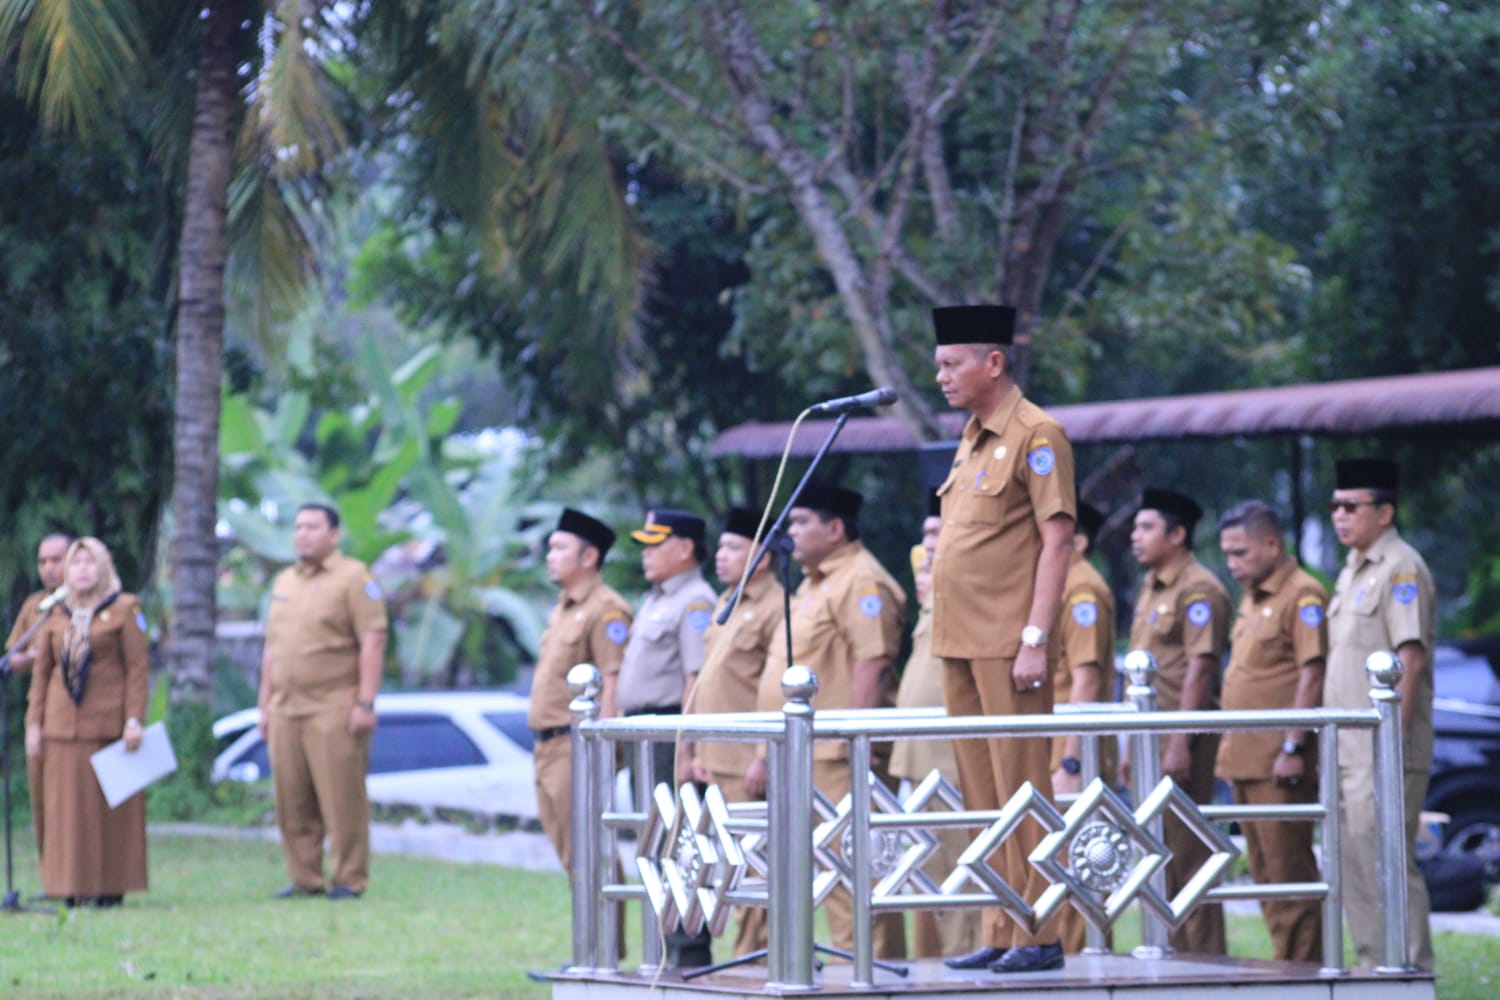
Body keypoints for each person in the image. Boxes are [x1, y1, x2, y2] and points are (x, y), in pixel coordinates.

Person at [929, 304, 1075, 974]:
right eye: (938, 365)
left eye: (951, 364)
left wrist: (1035, 637)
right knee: (982, 792)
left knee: (1023, 787)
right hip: (959, 640)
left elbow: (1057, 541)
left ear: (993, 363)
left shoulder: (1037, 433)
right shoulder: (971, 437)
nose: (941, 377)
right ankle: (1003, 921)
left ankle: (1040, 931)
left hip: (1009, 644)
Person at [748, 482, 908, 960]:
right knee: (827, 871)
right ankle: (850, 968)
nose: (791, 531)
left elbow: (873, 662)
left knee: (855, 869)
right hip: (808, 753)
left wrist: (854, 739)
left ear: (835, 529)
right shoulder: (813, 583)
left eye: (801, 522)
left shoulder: (861, 580)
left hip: (840, 754)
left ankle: (871, 975)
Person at [1324, 458, 1435, 970]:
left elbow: (1409, 659)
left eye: (1352, 506)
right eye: (1335, 506)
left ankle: (1408, 969)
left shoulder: (1401, 567)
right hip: (1346, 746)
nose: (1340, 516)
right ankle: (1373, 969)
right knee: (1353, 863)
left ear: (1384, 512)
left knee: (1388, 860)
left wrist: (1390, 744)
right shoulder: (1353, 569)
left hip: (1382, 745)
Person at [1216, 500, 1327, 962]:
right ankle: (1287, 968)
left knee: (1289, 878)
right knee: (1264, 877)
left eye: (1240, 553)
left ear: (1271, 545)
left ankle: (1305, 977)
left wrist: (1293, 745)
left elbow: (1312, 674)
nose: (1232, 563)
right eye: (1227, 554)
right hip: (1245, 759)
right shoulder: (1253, 596)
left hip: (1279, 762)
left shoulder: (1303, 596)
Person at [259, 503, 388, 900]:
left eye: (313, 527)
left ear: (334, 535)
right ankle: (305, 877)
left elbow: (373, 639)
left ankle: (349, 878)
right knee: (291, 800)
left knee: (341, 798)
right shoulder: (284, 581)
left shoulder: (354, 577)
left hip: (334, 706)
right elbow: (271, 649)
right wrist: (264, 705)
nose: (303, 534)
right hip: (285, 708)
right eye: (298, 527)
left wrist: (365, 703)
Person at [1126, 487, 1229, 956]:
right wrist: (1131, 746)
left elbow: (1201, 668)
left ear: (1177, 534)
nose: (1135, 536)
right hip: (1150, 741)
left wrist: (1181, 742)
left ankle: (1204, 963)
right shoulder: (1152, 586)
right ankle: (1169, 955)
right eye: (1136, 527)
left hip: (1179, 741)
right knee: (1157, 855)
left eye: (1146, 527)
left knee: (1190, 857)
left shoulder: (1198, 589)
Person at [679, 507, 785, 957]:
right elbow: (708, 681)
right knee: (725, 864)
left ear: (762, 557)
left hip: (747, 761)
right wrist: (694, 751)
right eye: (720, 547)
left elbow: (775, 687)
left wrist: (763, 755)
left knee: (752, 864)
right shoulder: (726, 602)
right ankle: (746, 957)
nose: (720, 556)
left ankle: (754, 961)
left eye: (733, 548)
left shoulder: (777, 607)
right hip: (715, 757)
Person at [23, 537, 148, 906]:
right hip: (62, 726)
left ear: (103, 567)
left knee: (110, 812)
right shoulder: (54, 612)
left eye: (90, 562)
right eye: (75, 563)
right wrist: (34, 723)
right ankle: (68, 886)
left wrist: (134, 720)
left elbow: (137, 670)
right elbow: (41, 673)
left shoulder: (124, 608)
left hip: (109, 726)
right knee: (65, 812)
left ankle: (110, 887)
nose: (82, 570)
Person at [618, 507, 718, 967]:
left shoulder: (695, 600)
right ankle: (663, 948)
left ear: (685, 549)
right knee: (653, 842)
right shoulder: (656, 599)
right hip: (644, 732)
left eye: (655, 544)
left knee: (676, 842)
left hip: (667, 733)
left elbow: (695, 678)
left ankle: (686, 949)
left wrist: (685, 745)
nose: (646, 554)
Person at [889, 493, 984, 959]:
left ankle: (964, 959)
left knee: (959, 869)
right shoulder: (936, 591)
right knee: (928, 871)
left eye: (936, 533)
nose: (926, 545)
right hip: (921, 758)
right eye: (924, 535)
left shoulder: (968, 591)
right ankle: (940, 962)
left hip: (949, 759)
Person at [528, 508, 632, 869]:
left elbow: (613, 678)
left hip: (576, 744)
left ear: (588, 557)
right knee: (570, 849)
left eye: (560, 548)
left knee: (590, 850)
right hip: (547, 744)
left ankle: (609, 911)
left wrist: (602, 747)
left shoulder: (606, 610)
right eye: (550, 548)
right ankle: (589, 912)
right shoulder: (564, 609)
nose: (550, 556)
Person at [1049, 500, 1118, 954]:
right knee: (1058, 865)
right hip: (1053, 744)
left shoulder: (1082, 590)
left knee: (1077, 866)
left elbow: (1086, 678)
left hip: (1072, 751)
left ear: (1078, 540)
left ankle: (1083, 967)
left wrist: (1072, 760)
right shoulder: (1059, 584)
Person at [6, 531, 72, 856]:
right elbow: (12, 657)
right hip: (42, 711)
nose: (48, 568)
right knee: (42, 796)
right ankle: (50, 863)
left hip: (79, 713)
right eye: (42, 561)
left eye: (56, 560)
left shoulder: (86, 604)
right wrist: (33, 656)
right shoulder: (37, 606)